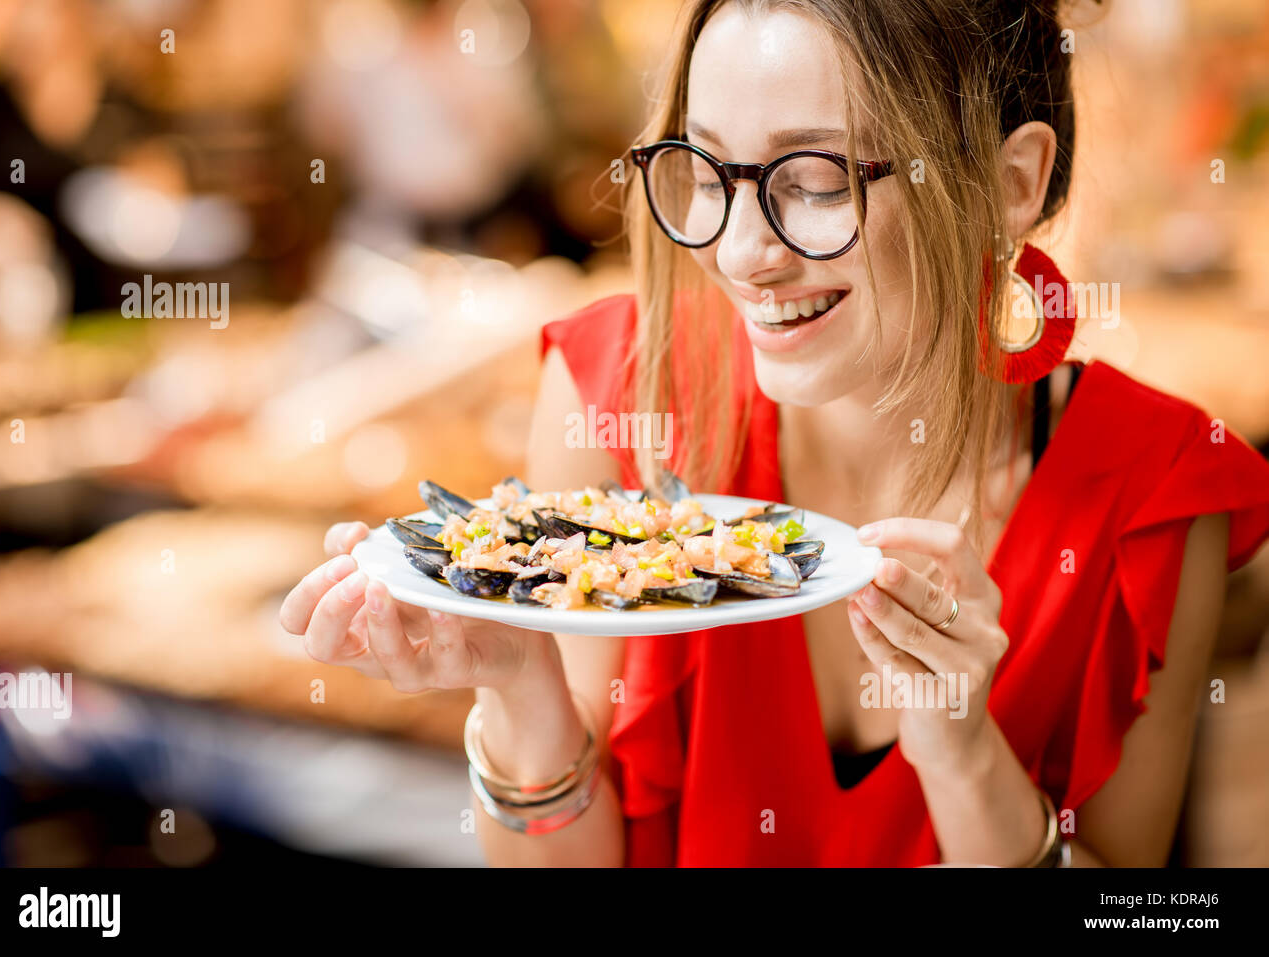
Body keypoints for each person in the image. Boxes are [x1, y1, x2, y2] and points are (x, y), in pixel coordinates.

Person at [279, 0, 1269, 866]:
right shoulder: (616, 389)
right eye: (707, 169)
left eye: (817, 178)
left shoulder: (1155, 486)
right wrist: (517, 683)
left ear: (1013, 183)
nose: (740, 251)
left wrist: (965, 755)